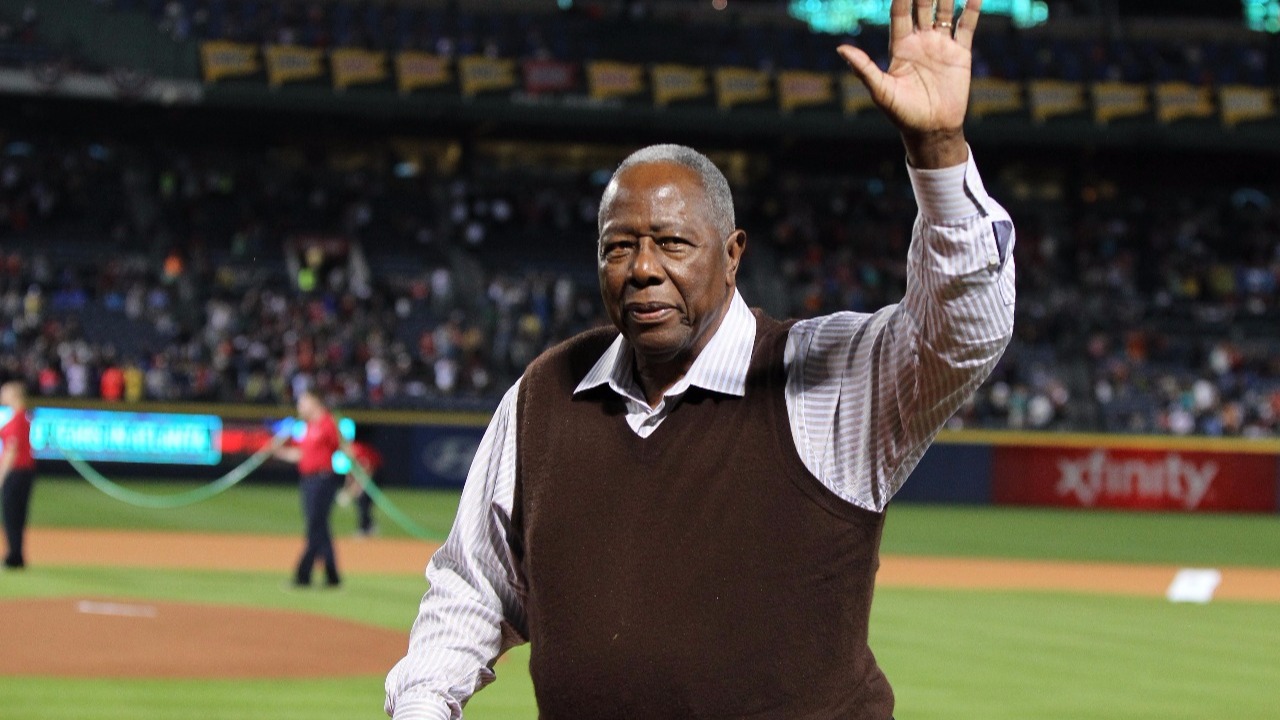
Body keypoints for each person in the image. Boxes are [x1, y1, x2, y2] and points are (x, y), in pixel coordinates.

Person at [385, 1, 1015, 717]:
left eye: (672, 243)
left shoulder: (819, 376)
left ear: (732, 255)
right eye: (618, 246)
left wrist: (937, 153)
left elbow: (965, 333)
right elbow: (475, 587)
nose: (642, 268)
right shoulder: (545, 395)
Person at [273, 389, 343, 587]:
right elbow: (302, 455)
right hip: (309, 480)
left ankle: (303, 574)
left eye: (303, 403)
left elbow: (337, 446)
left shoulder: (327, 423)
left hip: (323, 480)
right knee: (320, 527)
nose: (299, 407)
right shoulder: (308, 427)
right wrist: (279, 452)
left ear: (315, 402)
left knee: (315, 527)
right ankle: (332, 576)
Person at [0, 381, 36, 570]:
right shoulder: (24, 417)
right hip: (26, 472)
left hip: (16, 472)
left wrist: (1, 476)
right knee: (18, 515)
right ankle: (16, 554)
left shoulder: (18, 419)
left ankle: (14, 556)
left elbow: (11, 451)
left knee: (11, 514)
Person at [342, 438, 382, 537]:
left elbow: (367, 472)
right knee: (360, 501)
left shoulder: (358, 451)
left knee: (363, 500)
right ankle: (368, 526)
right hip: (366, 475)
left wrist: (355, 490)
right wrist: (346, 490)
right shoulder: (349, 456)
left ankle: (365, 528)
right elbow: (350, 474)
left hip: (375, 474)